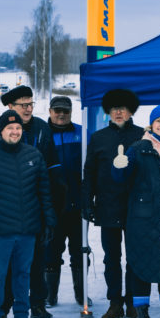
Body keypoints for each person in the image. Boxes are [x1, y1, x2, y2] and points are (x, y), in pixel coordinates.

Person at [0, 110, 56, 318]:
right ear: (1, 130)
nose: (15, 132)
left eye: (18, 128)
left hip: (28, 230)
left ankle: (22, 314)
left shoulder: (33, 155)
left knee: (23, 275)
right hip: (0, 231)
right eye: (10, 128)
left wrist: (49, 221)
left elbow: (44, 192)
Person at [111, 105, 160, 318]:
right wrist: (118, 167)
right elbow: (120, 178)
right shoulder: (137, 148)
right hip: (143, 219)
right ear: (151, 124)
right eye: (158, 121)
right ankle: (142, 313)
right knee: (141, 263)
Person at [81, 89, 143, 318]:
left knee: (134, 257)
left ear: (130, 111)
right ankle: (115, 302)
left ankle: (133, 302)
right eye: (115, 108)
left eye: (123, 108)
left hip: (137, 207)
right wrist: (87, 202)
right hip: (107, 207)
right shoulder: (98, 138)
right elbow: (90, 174)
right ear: (108, 111)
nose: (119, 112)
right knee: (111, 258)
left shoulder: (141, 136)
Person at [45, 96, 91, 307]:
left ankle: (81, 293)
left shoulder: (81, 132)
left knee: (80, 251)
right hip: (51, 206)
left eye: (65, 110)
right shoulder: (42, 133)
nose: (61, 114)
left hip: (76, 203)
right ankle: (49, 294)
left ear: (71, 112)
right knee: (51, 252)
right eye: (57, 111)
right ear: (50, 111)